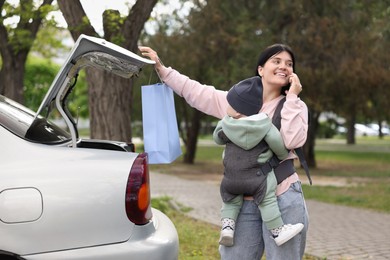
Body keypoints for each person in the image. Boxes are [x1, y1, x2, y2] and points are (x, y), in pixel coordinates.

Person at [139, 43, 309, 260]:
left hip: (283, 196)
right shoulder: (236, 102)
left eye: (289, 64)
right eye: (276, 61)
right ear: (260, 69)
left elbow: (292, 141)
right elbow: (198, 92)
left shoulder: (294, 105)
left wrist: (293, 97)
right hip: (242, 200)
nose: (283, 66)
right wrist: (163, 70)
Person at [213, 76, 304, 247]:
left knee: (231, 200)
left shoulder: (225, 124)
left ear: (239, 110)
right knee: (267, 200)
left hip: (231, 178)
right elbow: (278, 145)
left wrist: (225, 128)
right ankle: (277, 231)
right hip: (257, 179)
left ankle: (227, 227)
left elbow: (217, 138)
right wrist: (282, 154)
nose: (227, 107)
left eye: (230, 104)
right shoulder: (265, 124)